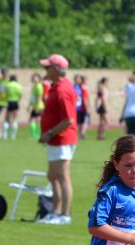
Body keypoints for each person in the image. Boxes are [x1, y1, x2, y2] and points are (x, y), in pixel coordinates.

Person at [39, 53, 78, 225]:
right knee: (52, 176)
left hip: (62, 139)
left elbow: (68, 120)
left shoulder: (63, 90)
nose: (45, 70)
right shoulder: (56, 87)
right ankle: (55, 212)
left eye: (47, 67)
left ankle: (64, 215)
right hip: (56, 139)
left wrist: (49, 133)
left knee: (62, 177)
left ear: (56, 69)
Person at [3, 74, 23, 140]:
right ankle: (13, 136)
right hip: (15, 102)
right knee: (15, 119)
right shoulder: (18, 85)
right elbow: (20, 95)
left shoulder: (8, 85)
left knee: (7, 118)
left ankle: (5, 135)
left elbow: (5, 93)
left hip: (9, 102)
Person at [28, 72, 45, 140]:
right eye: (33, 78)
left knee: (37, 120)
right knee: (32, 120)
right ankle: (33, 135)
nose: (34, 79)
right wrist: (29, 106)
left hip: (39, 106)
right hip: (34, 106)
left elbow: (40, 97)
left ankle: (38, 134)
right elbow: (33, 97)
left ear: (39, 79)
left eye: (36, 78)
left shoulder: (39, 86)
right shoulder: (34, 86)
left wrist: (37, 107)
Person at [0, 68, 9, 140]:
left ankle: (4, 133)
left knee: (6, 118)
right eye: (3, 73)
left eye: (5, 73)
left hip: (7, 102)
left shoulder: (9, 81)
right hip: (0, 102)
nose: (4, 74)